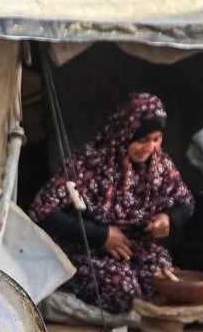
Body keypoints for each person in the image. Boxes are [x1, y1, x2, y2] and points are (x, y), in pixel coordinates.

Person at [28, 93, 194, 316]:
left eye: (157, 138)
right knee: (124, 291)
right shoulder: (87, 164)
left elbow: (185, 202)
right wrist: (101, 235)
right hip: (87, 250)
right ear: (124, 134)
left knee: (163, 285)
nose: (151, 147)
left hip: (138, 250)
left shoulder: (160, 164)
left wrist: (168, 218)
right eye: (143, 140)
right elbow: (42, 212)